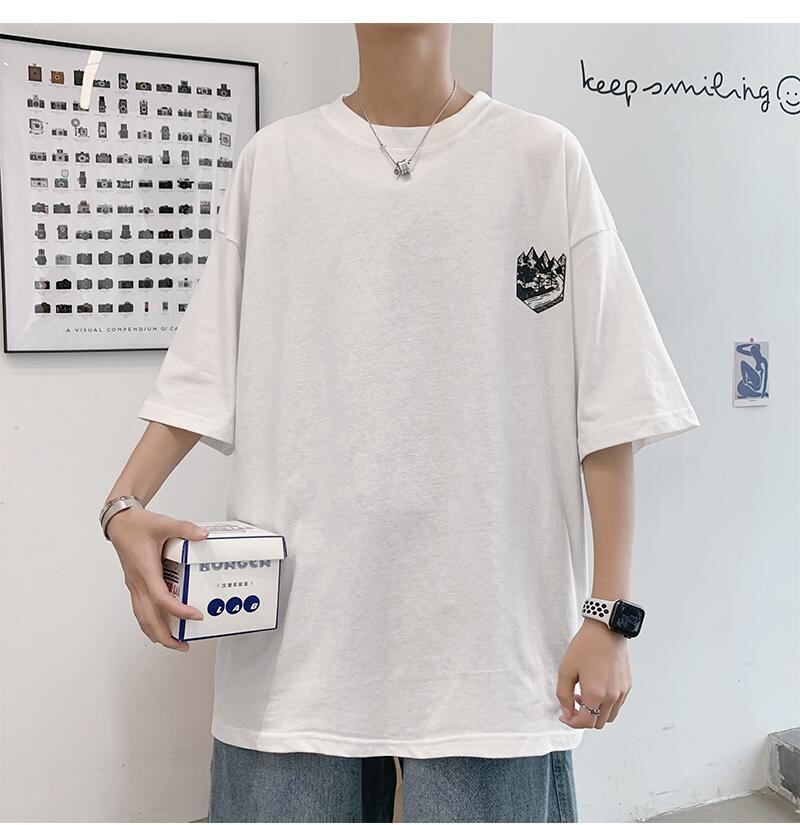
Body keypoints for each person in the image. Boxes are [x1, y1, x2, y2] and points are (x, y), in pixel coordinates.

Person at [102, 22, 700, 824]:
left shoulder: (543, 159)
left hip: (494, 643)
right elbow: (199, 375)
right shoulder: (274, 164)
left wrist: (611, 616)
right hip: (299, 650)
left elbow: (610, 402)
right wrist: (122, 506)